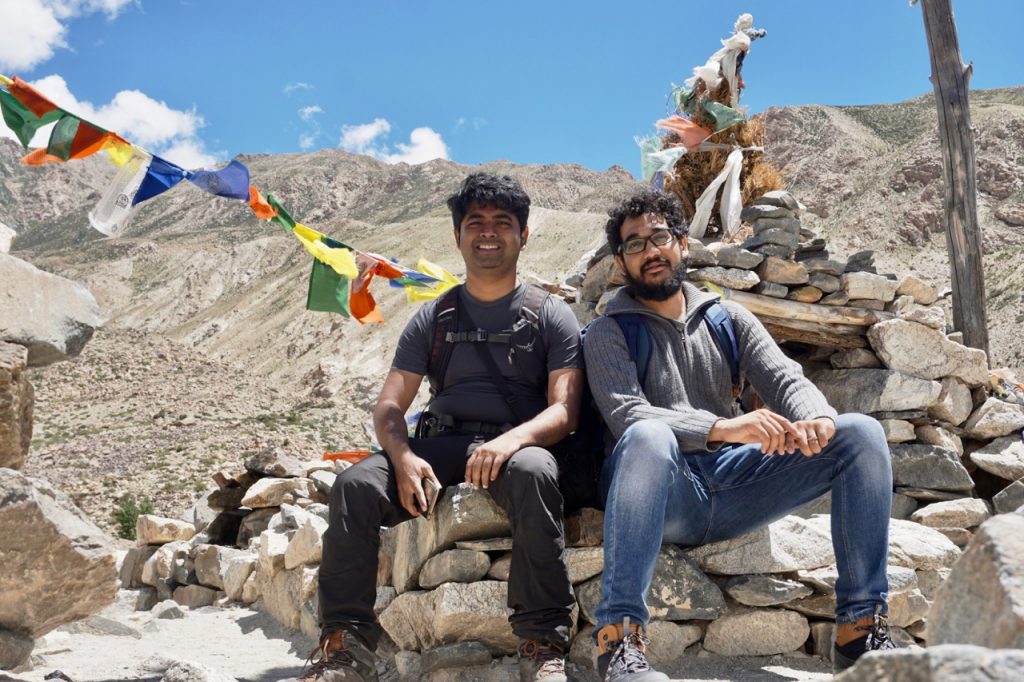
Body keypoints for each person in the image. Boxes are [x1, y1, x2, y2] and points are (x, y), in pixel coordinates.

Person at [582, 188, 896, 681]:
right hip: (664, 495)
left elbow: (787, 378)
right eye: (635, 245)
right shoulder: (607, 332)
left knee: (859, 433)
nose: (651, 251)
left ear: (682, 245)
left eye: (659, 237)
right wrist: (725, 428)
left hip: (735, 487)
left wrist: (817, 418)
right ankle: (619, 644)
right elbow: (627, 413)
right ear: (622, 263)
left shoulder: (728, 318)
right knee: (648, 437)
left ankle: (860, 632)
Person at [303, 173, 584, 682]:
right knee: (354, 486)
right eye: (475, 223)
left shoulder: (552, 315)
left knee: (536, 471)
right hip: (437, 445)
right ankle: (343, 645)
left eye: (503, 222)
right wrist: (404, 457)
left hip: (513, 447)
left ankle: (542, 643)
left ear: (524, 234)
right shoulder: (432, 317)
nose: (488, 233)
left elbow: (564, 410)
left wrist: (512, 440)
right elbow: (390, 407)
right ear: (457, 237)